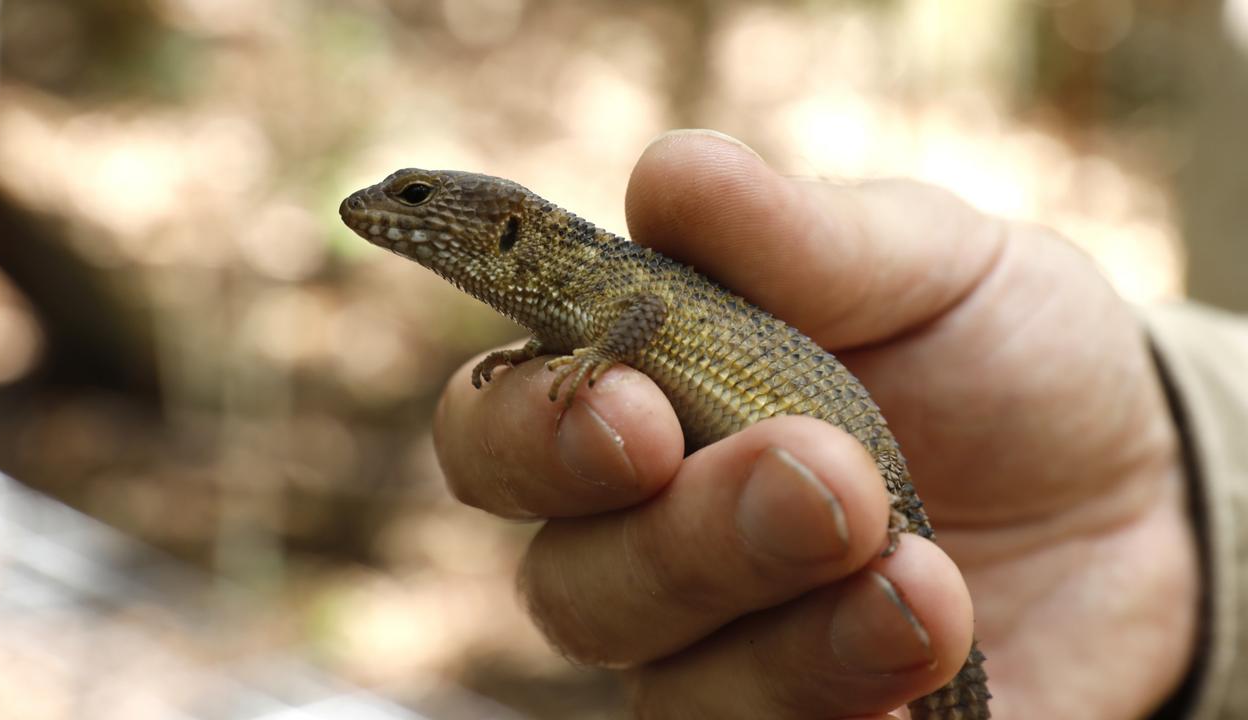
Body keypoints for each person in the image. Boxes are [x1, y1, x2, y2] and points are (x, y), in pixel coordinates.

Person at [431, 130, 1246, 719]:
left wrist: (589, 355)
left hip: (877, 494)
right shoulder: (574, 288)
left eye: (419, 199)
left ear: (502, 223)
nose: (390, 212)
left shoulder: (602, 281)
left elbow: (643, 311)